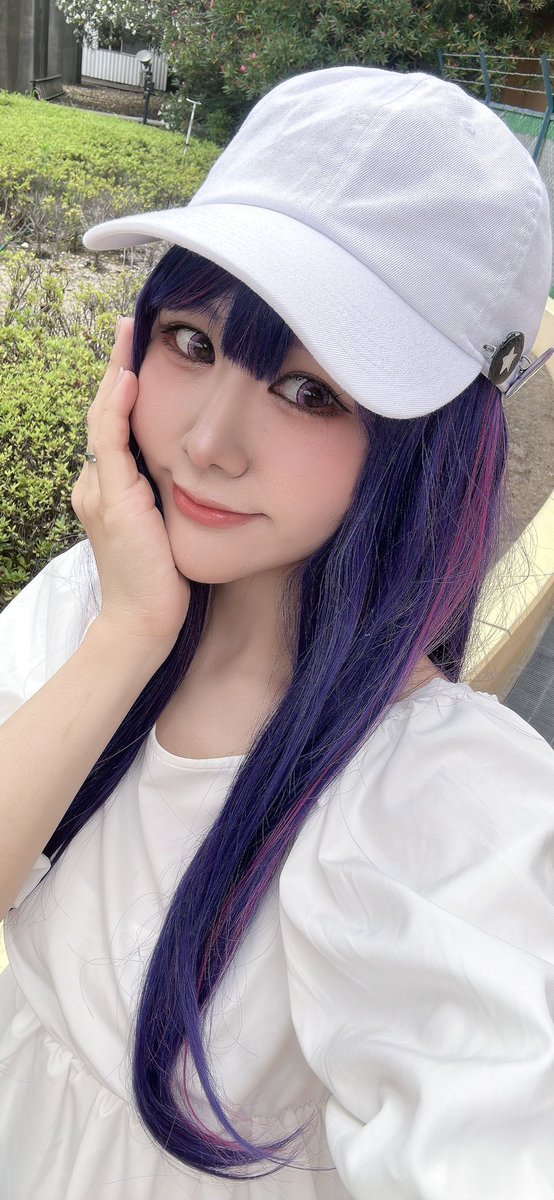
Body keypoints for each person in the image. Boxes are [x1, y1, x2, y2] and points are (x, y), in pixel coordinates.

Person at [1, 64, 554, 1200]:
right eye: (193, 342)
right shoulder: (91, 599)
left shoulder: (441, 806)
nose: (208, 442)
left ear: (430, 445)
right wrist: (131, 631)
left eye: (311, 393)